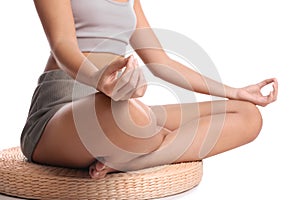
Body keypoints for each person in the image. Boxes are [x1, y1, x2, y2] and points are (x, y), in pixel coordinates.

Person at [21, 0, 278, 179]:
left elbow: (161, 63)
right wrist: (100, 80)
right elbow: (62, 46)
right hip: (61, 112)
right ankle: (151, 143)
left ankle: (130, 160)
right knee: (133, 118)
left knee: (247, 115)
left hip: (119, 105)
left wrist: (235, 92)